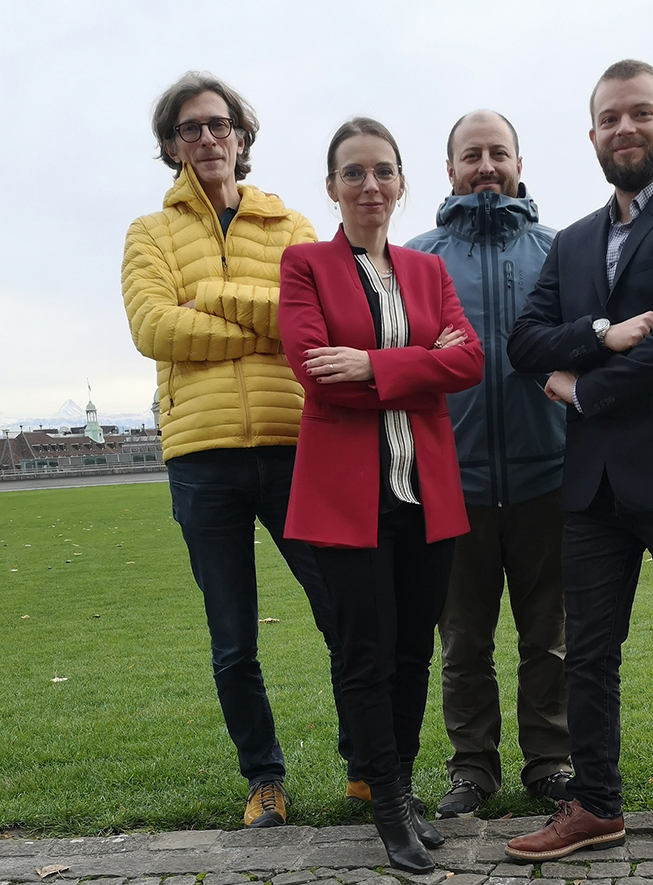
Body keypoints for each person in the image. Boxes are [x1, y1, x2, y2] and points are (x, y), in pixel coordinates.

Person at [502, 60, 653, 861]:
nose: (624, 128)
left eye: (639, 113)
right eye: (609, 118)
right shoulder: (569, 242)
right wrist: (600, 335)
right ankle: (595, 803)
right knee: (589, 651)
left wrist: (581, 393)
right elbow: (523, 343)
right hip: (592, 487)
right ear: (593, 135)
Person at [121, 71, 354, 829]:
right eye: (190, 128)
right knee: (233, 640)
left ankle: (366, 770)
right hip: (201, 457)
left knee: (343, 615)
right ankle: (265, 780)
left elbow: (317, 317)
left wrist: (215, 301)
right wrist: (264, 324)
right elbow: (153, 329)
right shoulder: (148, 234)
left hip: (296, 446)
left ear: (242, 137)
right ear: (170, 146)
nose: (207, 138)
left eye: (219, 125)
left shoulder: (288, 227)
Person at [278, 117, 483, 873]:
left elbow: (469, 362)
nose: (370, 186)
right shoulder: (303, 266)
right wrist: (412, 366)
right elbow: (313, 372)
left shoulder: (426, 272)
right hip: (345, 499)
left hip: (424, 495)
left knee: (411, 655)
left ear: (402, 183)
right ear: (332, 187)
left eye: (383, 171)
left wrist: (368, 364)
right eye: (354, 172)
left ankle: (398, 785)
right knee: (364, 656)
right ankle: (389, 801)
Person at [404, 110, 572, 819]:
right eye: (470, 154)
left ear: (518, 160)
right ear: (448, 168)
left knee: (551, 640)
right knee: (463, 643)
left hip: (550, 479)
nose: (484, 165)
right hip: (454, 483)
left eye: (496, 152)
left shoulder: (560, 251)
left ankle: (551, 761)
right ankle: (471, 769)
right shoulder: (415, 259)